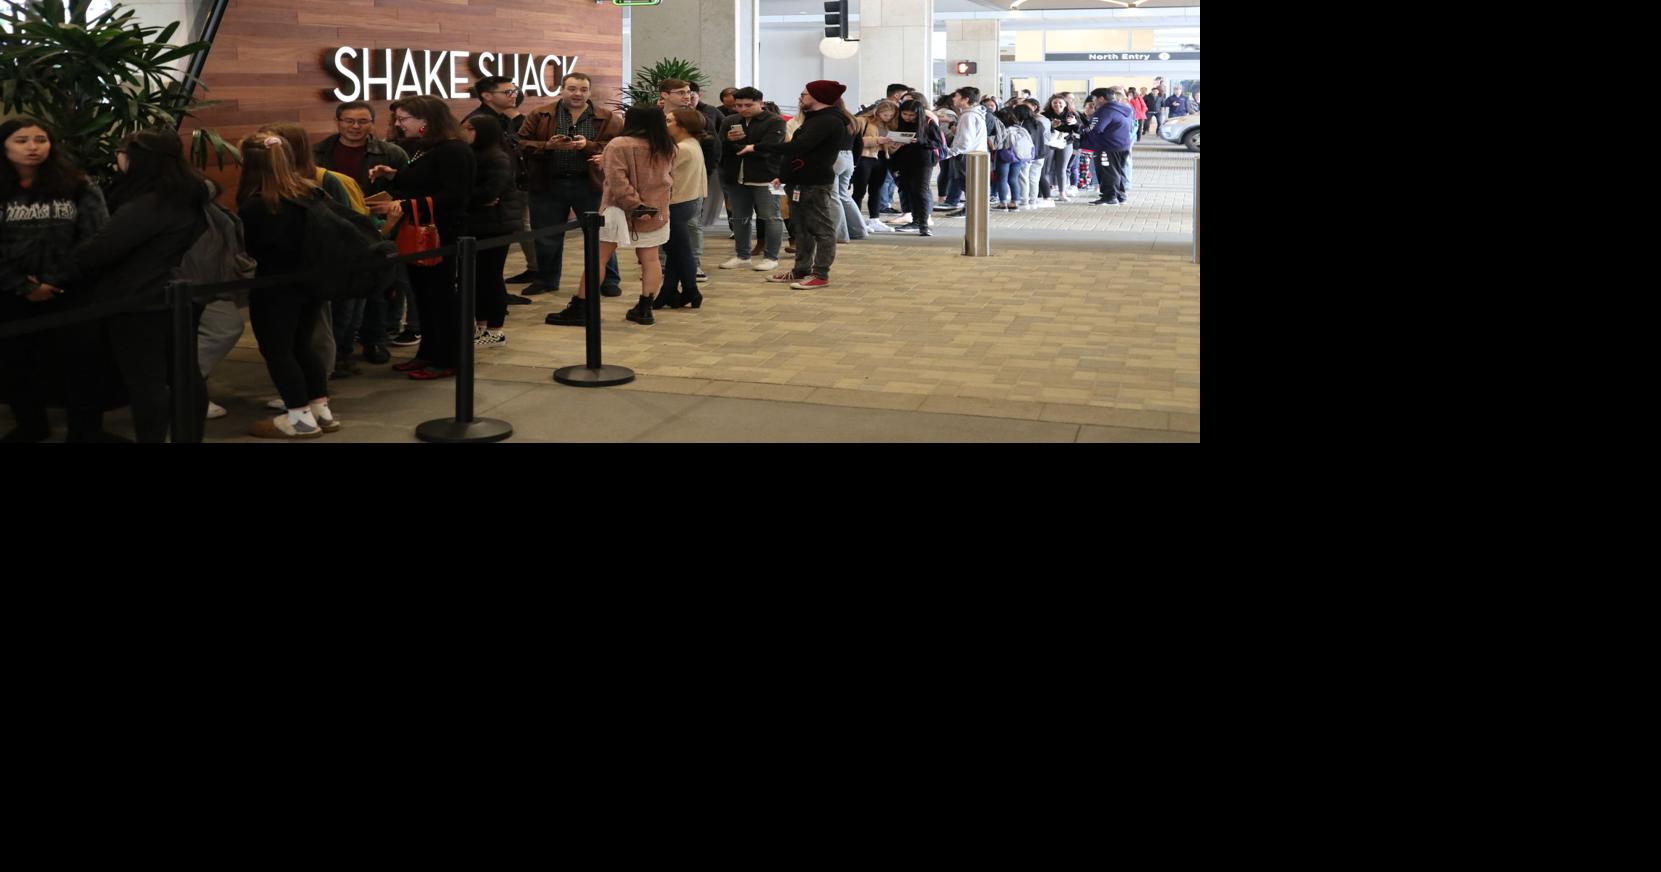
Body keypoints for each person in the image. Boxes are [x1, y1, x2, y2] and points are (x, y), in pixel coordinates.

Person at [56, 129, 209, 442]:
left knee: (146, 381)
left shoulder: (150, 203)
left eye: (122, 152)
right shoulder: (191, 192)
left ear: (139, 159)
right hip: (178, 297)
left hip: (140, 301)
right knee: (185, 375)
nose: (118, 158)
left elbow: (100, 250)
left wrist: (69, 257)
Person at [0, 116, 110, 442]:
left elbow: (96, 237)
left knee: (82, 364)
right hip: (11, 293)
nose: (33, 147)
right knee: (17, 363)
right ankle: (31, 426)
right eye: (22, 140)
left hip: (70, 292)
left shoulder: (77, 185)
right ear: (4, 145)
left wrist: (56, 280)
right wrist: (23, 284)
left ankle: (85, 431)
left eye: (40, 139)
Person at [234, 134, 343, 438]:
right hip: (311, 284)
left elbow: (250, 251)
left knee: (278, 350)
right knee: (302, 345)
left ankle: (299, 418)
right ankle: (321, 410)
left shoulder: (256, 205)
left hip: (275, 288)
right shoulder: (310, 193)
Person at [368, 95, 477, 379]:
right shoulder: (426, 148)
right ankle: (428, 352)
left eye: (404, 118)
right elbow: (423, 181)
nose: (398, 124)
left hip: (441, 233)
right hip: (419, 231)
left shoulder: (453, 150)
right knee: (423, 296)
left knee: (440, 297)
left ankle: (447, 358)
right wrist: (393, 176)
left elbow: (455, 196)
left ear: (425, 121)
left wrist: (403, 206)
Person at [546, 106, 674, 326]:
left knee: (598, 258)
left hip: (618, 209)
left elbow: (618, 181)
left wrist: (635, 205)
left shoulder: (619, 144)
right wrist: (648, 206)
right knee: (651, 260)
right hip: (656, 210)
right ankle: (645, 308)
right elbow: (669, 179)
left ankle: (582, 307)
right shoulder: (667, 146)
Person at [312, 101, 408, 359]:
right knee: (343, 290)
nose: (355, 126)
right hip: (333, 227)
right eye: (349, 121)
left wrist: (389, 201)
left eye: (362, 121)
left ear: (371, 123)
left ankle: (374, 339)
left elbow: (408, 188)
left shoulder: (391, 153)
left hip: (377, 226)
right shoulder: (319, 152)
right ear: (338, 121)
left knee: (378, 286)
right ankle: (341, 346)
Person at [519, 71, 623, 298]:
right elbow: (521, 143)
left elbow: (618, 147)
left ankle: (608, 280)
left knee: (600, 234)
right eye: (572, 89)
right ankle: (546, 279)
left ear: (590, 91)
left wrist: (588, 145)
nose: (578, 94)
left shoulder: (607, 117)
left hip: (590, 184)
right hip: (548, 184)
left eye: (583, 90)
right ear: (561, 89)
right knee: (546, 234)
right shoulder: (540, 114)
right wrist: (548, 146)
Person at [737, 80, 847, 290]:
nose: (801, 96)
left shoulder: (828, 121)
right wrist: (785, 175)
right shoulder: (816, 119)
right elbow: (801, 152)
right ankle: (800, 271)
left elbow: (799, 147)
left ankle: (820, 274)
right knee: (802, 228)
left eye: (805, 94)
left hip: (814, 183)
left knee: (821, 230)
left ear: (819, 97)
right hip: (800, 181)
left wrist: (756, 146)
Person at [461, 114, 522, 349]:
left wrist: (465, 197)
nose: (464, 132)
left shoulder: (496, 156)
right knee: (477, 278)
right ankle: (481, 325)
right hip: (479, 223)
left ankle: (495, 331)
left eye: (469, 128)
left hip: (496, 225)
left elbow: (489, 193)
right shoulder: (474, 154)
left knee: (491, 277)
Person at [716, 87, 785, 273]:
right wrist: (732, 142)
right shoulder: (730, 120)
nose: (743, 109)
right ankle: (742, 255)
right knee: (739, 218)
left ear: (761, 103)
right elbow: (720, 146)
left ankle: (771, 257)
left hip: (767, 176)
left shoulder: (775, 121)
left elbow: (769, 148)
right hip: (736, 177)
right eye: (738, 105)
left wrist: (747, 146)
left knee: (771, 216)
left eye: (748, 105)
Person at [654, 108, 710, 311]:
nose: (665, 124)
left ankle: (691, 290)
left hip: (678, 201)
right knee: (675, 250)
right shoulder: (690, 144)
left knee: (680, 249)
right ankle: (669, 289)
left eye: (669, 120)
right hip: (688, 200)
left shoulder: (682, 148)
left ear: (682, 126)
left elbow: (660, 174)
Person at [887, 100, 941, 237]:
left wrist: (921, 141)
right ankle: (915, 220)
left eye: (912, 115)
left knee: (920, 191)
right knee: (908, 190)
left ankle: (924, 224)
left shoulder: (928, 123)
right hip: (903, 161)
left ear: (919, 113)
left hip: (923, 161)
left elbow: (938, 143)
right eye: (905, 114)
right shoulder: (898, 122)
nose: (908, 117)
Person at [1079, 87, 1134, 206]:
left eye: (1094, 99)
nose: (1093, 101)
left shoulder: (1104, 111)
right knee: (1118, 172)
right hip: (1122, 145)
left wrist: (1082, 130)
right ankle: (1120, 195)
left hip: (1107, 146)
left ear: (1101, 99)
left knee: (1107, 172)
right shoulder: (1124, 109)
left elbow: (1096, 128)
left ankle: (1109, 197)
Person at [939, 86, 988, 213]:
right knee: (969, 185)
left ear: (965, 99)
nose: (953, 99)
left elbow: (965, 141)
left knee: (968, 185)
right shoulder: (975, 114)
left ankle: (971, 211)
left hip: (966, 155)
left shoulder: (968, 116)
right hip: (974, 154)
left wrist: (950, 153)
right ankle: (970, 209)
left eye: (956, 96)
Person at [852, 100, 898, 228]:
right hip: (864, 157)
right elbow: (856, 141)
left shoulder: (889, 125)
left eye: (890, 115)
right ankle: (856, 219)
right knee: (859, 190)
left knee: (876, 189)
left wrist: (897, 144)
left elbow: (889, 147)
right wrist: (878, 140)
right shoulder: (862, 121)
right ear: (877, 112)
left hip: (882, 158)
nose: (888, 118)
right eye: (885, 115)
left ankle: (874, 219)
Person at [1041, 95, 1081, 202]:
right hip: (1049, 143)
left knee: (1062, 168)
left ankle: (1062, 192)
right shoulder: (1045, 115)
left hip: (1066, 143)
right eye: (1055, 103)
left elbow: (1079, 130)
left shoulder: (1072, 115)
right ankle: (1046, 193)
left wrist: (1075, 123)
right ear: (1050, 104)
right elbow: (1041, 130)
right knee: (1046, 169)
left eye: (1060, 103)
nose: (1057, 105)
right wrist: (1051, 126)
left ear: (1065, 104)